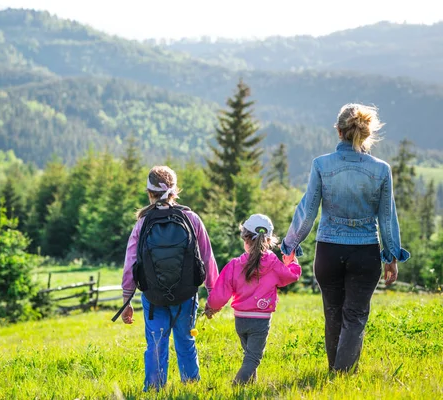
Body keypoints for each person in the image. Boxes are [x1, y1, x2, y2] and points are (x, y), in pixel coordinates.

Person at [280, 103, 410, 372]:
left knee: (333, 314)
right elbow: (387, 218)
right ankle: (342, 375)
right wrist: (392, 255)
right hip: (365, 253)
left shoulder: (321, 165)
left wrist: (291, 244)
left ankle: (335, 373)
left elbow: (308, 211)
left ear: (338, 131)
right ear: (366, 133)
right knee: (355, 315)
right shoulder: (381, 169)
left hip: (328, 251)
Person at [120, 165, 219, 391]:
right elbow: (207, 258)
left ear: (149, 192)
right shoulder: (191, 219)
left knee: (155, 345)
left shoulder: (142, 223)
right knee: (185, 342)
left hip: (153, 297)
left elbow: (130, 265)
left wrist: (127, 301)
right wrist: (213, 295)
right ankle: (191, 388)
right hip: (186, 295)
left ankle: (154, 390)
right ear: (175, 191)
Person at [205, 214, 301, 385]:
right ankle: (237, 386)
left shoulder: (235, 264)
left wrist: (212, 306)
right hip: (260, 321)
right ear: (269, 240)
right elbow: (291, 276)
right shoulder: (272, 264)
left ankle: (249, 386)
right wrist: (292, 260)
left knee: (249, 354)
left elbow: (221, 291)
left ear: (245, 238)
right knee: (254, 358)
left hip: (241, 320)